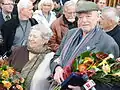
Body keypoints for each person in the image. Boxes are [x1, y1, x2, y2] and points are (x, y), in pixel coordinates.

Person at [49, 1, 119, 90]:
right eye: (80, 17)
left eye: (88, 16)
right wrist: (57, 68)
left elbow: (110, 82)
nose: (84, 20)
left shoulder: (108, 43)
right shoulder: (70, 34)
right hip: (57, 85)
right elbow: (56, 57)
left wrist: (83, 88)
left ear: (98, 17)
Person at [8, 24, 54, 90]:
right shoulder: (18, 51)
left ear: (45, 40)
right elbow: (6, 69)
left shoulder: (49, 57)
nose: (30, 39)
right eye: (30, 35)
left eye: (35, 37)